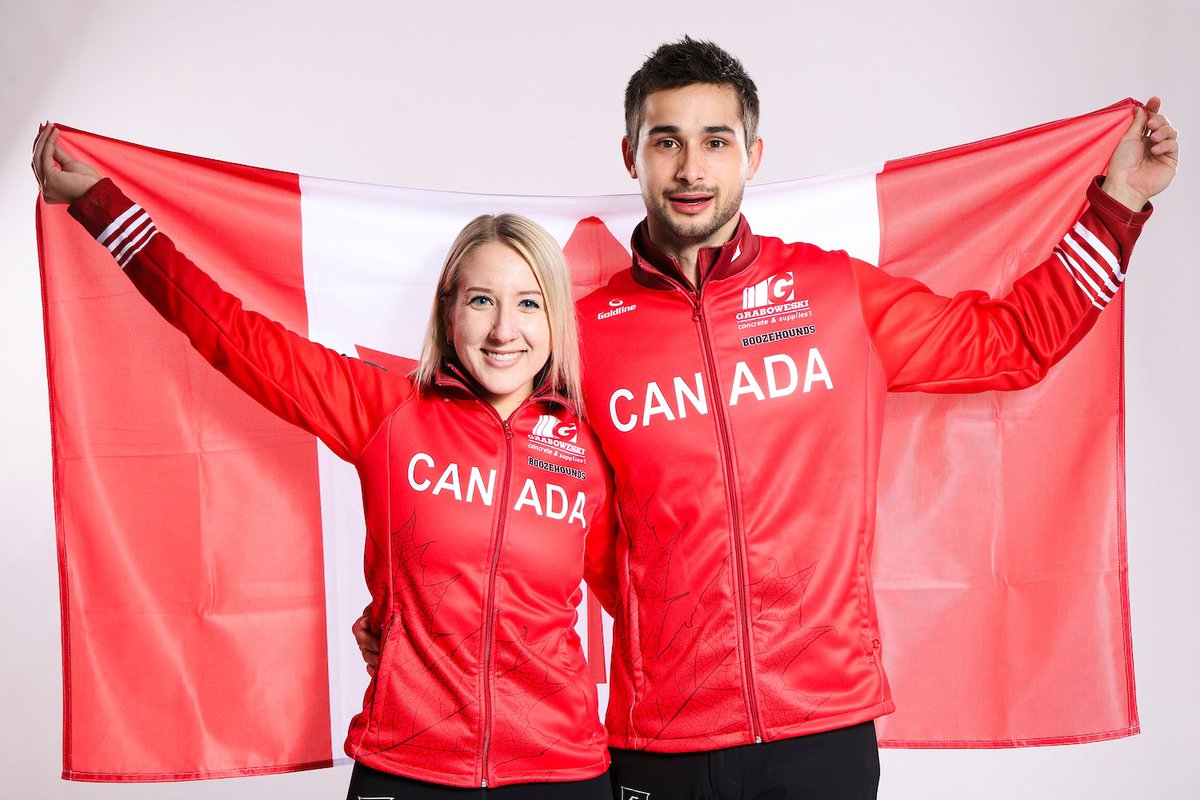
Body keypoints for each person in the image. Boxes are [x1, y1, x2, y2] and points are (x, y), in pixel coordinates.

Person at [345, 38, 1177, 799]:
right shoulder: (579, 336)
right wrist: (407, 613)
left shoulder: (836, 295)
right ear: (632, 154)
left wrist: (1120, 200)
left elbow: (1014, 344)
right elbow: (508, 488)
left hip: (822, 725)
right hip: (656, 739)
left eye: (716, 140)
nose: (690, 166)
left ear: (755, 155)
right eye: (666, 140)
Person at [32, 124, 617, 799]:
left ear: (556, 320)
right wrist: (104, 207)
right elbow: (229, 333)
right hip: (408, 765)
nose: (503, 329)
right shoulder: (386, 412)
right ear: (447, 311)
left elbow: (639, 605)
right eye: (481, 300)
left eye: (528, 303)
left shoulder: (586, 451)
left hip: (561, 773)